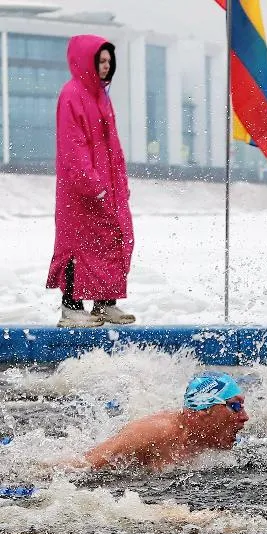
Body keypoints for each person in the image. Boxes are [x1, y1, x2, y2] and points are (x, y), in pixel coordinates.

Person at [46, 35, 135, 328]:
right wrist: (91, 184)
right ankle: (71, 308)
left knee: (111, 240)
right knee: (77, 246)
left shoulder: (101, 96)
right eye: (101, 61)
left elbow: (114, 147)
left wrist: (119, 185)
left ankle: (104, 304)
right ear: (87, 60)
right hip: (80, 192)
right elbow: (74, 146)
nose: (106, 66)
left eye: (109, 61)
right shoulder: (72, 94)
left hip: (106, 189)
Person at [63, 372, 249, 471]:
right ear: (205, 410)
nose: (245, 416)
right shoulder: (154, 433)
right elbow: (82, 465)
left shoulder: (209, 438)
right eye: (235, 407)